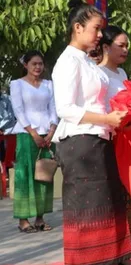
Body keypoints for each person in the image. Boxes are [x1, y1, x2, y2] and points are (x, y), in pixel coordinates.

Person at [52, 0, 131, 264]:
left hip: (99, 139)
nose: (100, 35)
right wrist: (107, 118)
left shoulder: (87, 62)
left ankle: (112, 259)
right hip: (80, 144)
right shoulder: (68, 62)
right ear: (78, 28)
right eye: (96, 29)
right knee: (88, 212)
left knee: (108, 206)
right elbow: (65, 108)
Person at [98, 25, 131, 247]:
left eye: (127, 46)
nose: (126, 50)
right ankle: (113, 247)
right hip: (111, 141)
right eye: (121, 45)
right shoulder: (98, 74)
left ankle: (128, 249)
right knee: (114, 195)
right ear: (106, 47)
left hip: (129, 138)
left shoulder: (122, 73)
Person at [10, 50, 58, 233]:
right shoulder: (17, 85)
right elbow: (18, 110)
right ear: (26, 65)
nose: (38, 67)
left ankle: (40, 218)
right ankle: (23, 219)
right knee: (25, 175)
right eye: (34, 64)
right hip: (26, 134)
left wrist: (51, 131)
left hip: (48, 135)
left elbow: (54, 108)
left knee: (44, 176)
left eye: (40, 64)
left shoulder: (48, 84)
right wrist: (34, 133)